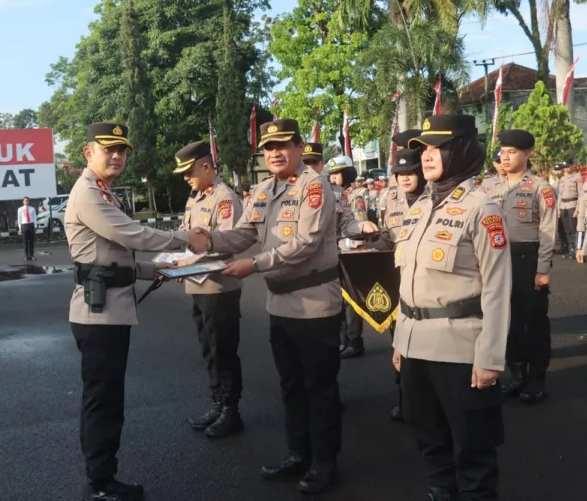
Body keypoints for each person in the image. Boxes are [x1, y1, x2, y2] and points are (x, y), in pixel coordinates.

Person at [187, 119, 377, 495]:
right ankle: (297, 454)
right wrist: (206, 239)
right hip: (280, 304)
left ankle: (325, 462)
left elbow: (305, 242)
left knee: (318, 387)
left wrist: (255, 264)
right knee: (290, 385)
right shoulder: (262, 189)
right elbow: (243, 234)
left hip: (313, 305)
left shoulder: (315, 186)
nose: (274, 153)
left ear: (299, 146)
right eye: (268, 147)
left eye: (283, 145)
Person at [64, 122, 188, 501]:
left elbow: (118, 260)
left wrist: (161, 269)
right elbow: (133, 236)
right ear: (89, 153)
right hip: (98, 315)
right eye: (109, 150)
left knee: (105, 398)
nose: (117, 157)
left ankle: (100, 475)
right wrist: (184, 239)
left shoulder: (105, 193)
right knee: (103, 401)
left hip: (109, 309)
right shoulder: (88, 193)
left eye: (122, 151)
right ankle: (100, 483)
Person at [393, 114, 512, 501]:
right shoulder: (419, 206)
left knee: (474, 449)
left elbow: (497, 287)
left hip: (460, 348)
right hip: (414, 344)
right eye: (422, 149)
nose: (426, 156)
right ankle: (441, 491)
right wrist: (399, 340)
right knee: (430, 439)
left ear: (460, 150)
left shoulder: (482, 208)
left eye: (435, 147)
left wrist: (491, 356)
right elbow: (407, 280)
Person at [174, 141, 245, 438]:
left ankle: (231, 410)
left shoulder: (224, 198)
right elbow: (187, 236)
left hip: (218, 286)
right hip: (197, 285)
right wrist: (179, 262)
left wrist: (187, 261)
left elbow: (227, 242)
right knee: (208, 349)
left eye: (189, 171)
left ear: (206, 166)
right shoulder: (195, 198)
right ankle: (217, 402)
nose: (185, 178)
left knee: (223, 349)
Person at [487, 130, 557, 405]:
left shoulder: (540, 187)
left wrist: (542, 269)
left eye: (512, 151)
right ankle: (515, 375)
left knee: (534, 322)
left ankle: (536, 380)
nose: (505, 156)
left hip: (528, 260)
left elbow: (548, 230)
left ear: (526, 154)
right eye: (503, 151)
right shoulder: (489, 188)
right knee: (506, 321)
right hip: (497, 261)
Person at [379, 145, 427, 423]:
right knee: (400, 342)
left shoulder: (434, 198)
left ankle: (426, 402)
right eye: (400, 173)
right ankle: (404, 398)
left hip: (426, 281)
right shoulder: (391, 199)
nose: (405, 178)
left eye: (410, 172)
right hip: (399, 280)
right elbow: (388, 236)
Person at [327, 156, 366, 359]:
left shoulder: (354, 196)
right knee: (339, 299)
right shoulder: (334, 195)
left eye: (337, 174)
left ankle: (354, 340)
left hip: (351, 253)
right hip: (336, 252)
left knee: (351, 301)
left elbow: (358, 227)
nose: (333, 178)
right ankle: (344, 339)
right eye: (331, 174)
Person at [557, 159, 582, 258]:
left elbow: (581, 194)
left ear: (572, 166)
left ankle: (576, 250)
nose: (566, 169)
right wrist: (558, 209)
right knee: (567, 229)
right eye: (564, 167)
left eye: (567, 166)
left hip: (573, 204)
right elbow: (560, 194)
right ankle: (570, 249)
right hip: (563, 205)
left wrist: (577, 209)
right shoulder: (562, 179)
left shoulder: (577, 177)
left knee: (573, 229)